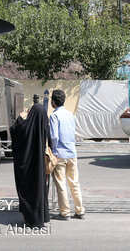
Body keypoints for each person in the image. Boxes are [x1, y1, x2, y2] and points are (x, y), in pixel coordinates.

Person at [9, 103, 50, 228]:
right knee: (41, 190)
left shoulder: (26, 126)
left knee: (30, 191)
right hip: (41, 166)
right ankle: (43, 216)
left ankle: (32, 220)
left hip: (27, 167)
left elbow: (14, 130)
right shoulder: (45, 126)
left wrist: (21, 117)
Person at [49, 89, 85, 220]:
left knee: (61, 184)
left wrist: (52, 151)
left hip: (59, 154)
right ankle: (80, 211)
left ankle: (65, 213)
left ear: (53, 102)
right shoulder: (71, 115)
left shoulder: (54, 116)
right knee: (74, 183)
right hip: (72, 153)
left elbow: (54, 137)